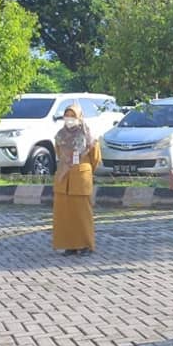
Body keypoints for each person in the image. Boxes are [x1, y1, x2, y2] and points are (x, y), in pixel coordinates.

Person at [52, 103, 101, 256]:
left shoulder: (88, 137)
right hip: (63, 179)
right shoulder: (60, 135)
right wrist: (66, 166)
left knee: (82, 214)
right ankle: (70, 245)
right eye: (67, 116)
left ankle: (86, 245)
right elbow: (59, 154)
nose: (69, 119)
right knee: (65, 215)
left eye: (73, 116)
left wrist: (81, 168)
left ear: (80, 118)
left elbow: (96, 159)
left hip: (80, 179)